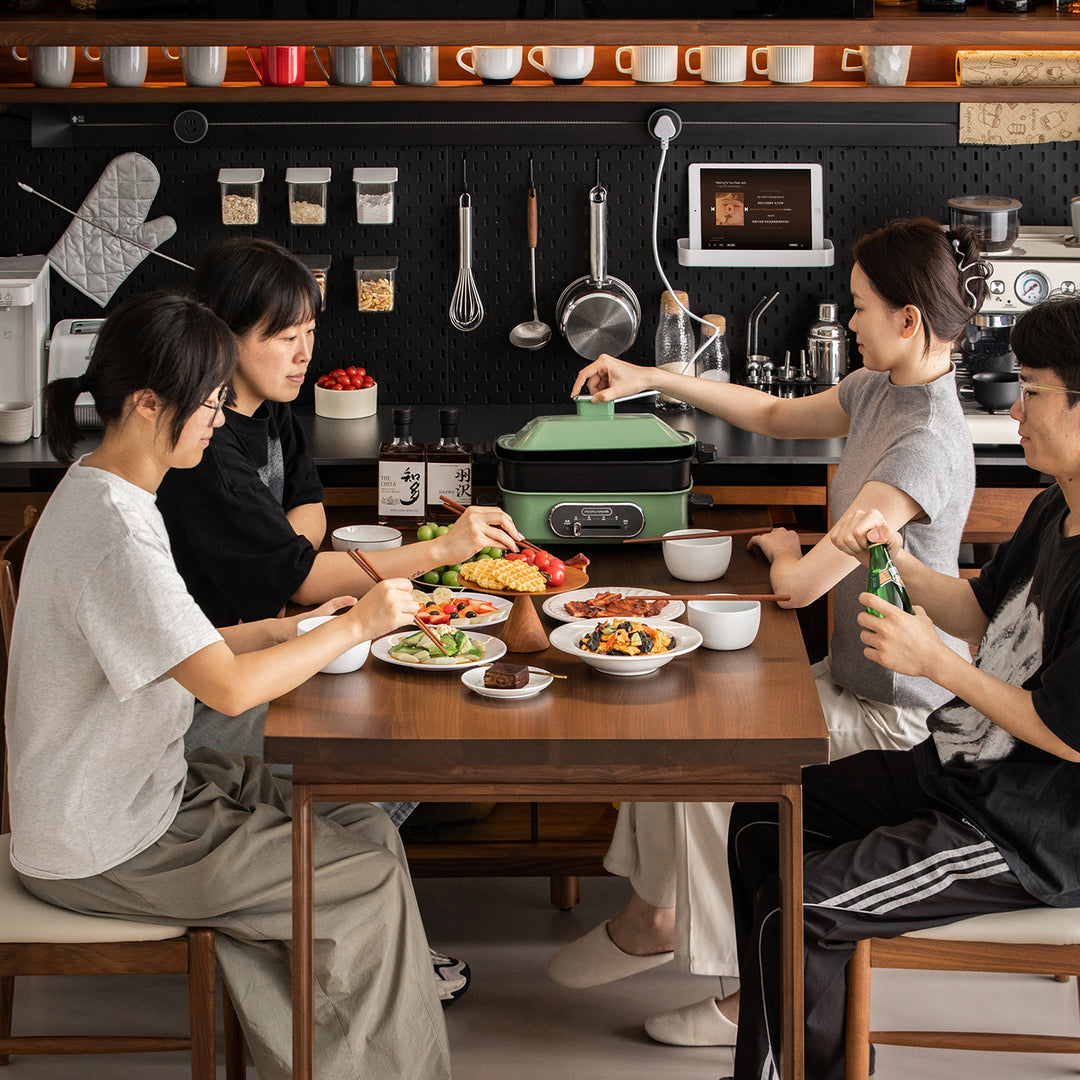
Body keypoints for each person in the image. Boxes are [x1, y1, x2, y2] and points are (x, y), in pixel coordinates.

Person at [550, 217, 986, 1046]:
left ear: (908, 320)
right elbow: (776, 414)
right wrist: (650, 376)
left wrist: (789, 547)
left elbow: (799, 587)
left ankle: (747, 989)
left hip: (900, 713)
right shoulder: (880, 387)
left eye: (859, 307)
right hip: (853, 679)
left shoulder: (925, 441)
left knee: (715, 750)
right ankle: (655, 915)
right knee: (672, 707)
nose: (848, 321)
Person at [5, 290, 450, 1080]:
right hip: (108, 838)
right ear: (149, 404)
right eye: (210, 401)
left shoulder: (102, 487)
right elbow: (229, 690)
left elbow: (179, 646)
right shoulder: (116, 530)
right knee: (365, 877)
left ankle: (332, 1062)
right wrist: (355, 626)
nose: (219, 418)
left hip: (139, 793)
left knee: (362, 826)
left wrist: (285, 631)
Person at [725, 292, 1080, 1080]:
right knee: (761, 820)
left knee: (802, 906)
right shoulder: (1056, 506)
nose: (1015, 408)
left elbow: (1068, 734)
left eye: (1034, 389)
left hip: (1031, 829)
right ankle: (793, 1063)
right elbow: (980, 611)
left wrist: (937, 663)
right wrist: (896, 558)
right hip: (965, 769)